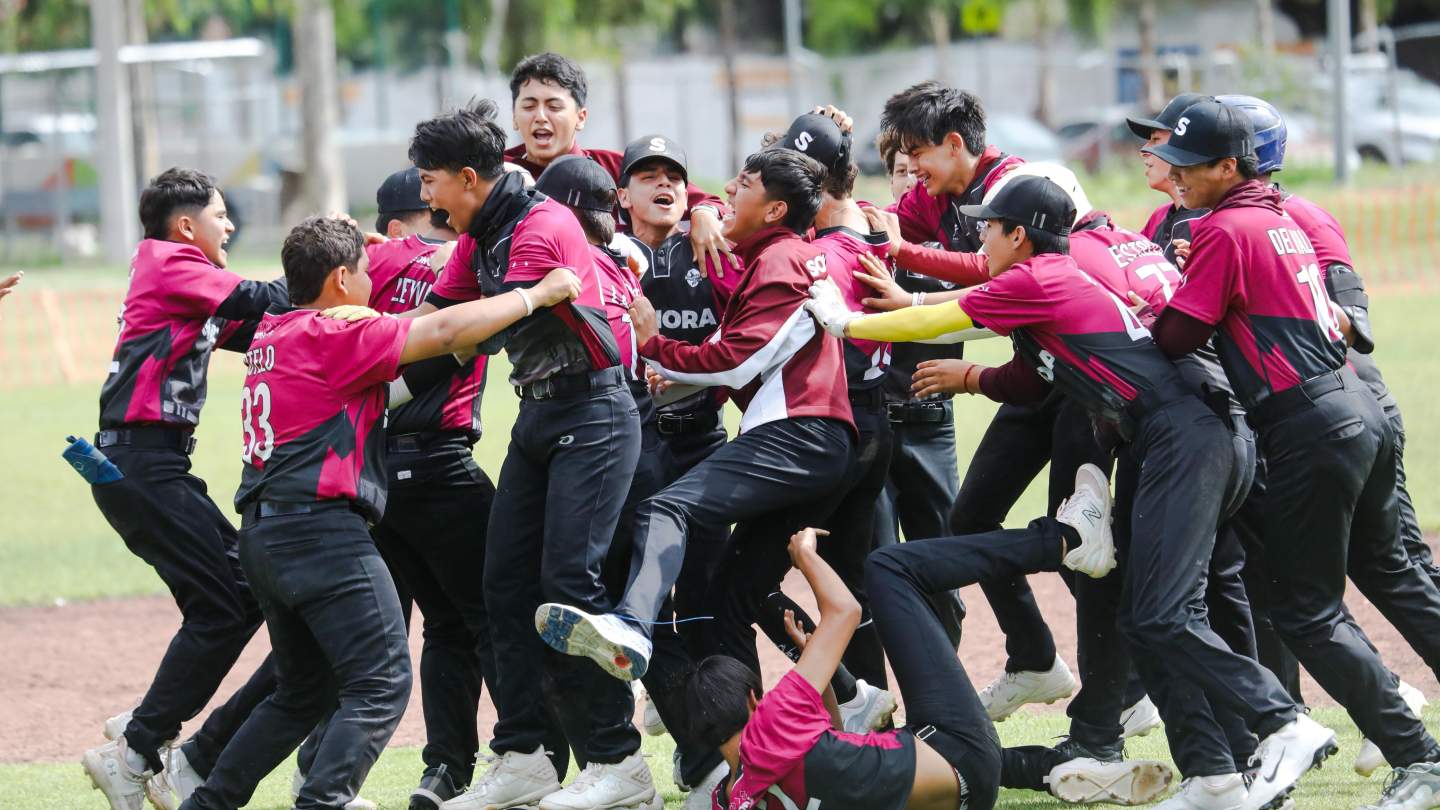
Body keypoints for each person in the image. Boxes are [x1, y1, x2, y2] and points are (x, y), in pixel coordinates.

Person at [808, 173, 1336, 810]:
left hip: (1186, 441)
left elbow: (939, 317)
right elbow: (1030, 383)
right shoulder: (1042, 286)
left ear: (1019, 236)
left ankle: (1282, 722)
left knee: (1165, 614)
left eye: (989, 228)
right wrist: (972, 377)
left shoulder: (1038, 277)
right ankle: (1213, 777)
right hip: (1173, 441)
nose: (980, 239)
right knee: (1145, 618)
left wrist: (844, 321)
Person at [171, 216, 578, 810]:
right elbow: (440, 330)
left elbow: (407, 343)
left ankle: (206, 803)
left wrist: (416, 328)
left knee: (300, 693)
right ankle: (324, 800)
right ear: (341, 279)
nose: (373, 285)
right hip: (322, 534)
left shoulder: (277, 331)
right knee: (381, 682)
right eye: (365, 272)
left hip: (265, 534)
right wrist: (535, 294)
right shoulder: (334, 334)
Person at [1143, 97, 1440, 810]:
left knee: (1304, 610)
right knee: (1382, 575)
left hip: (1311, 424)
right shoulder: (1276, 216)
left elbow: (1177, 336)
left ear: (1229, 166)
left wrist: (1154, 298)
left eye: (1188, 165)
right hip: (1354, 408)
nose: (1176, 176)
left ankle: (1417, 755)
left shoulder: (1224, 229)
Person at [360, 99, 654, 810]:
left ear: (467, 178)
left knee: (567, 588)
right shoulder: (479, 235)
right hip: (540, 415)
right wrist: (357, 353)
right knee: (502, 587)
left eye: (430, 181)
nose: (425, 197)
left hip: (595, 413)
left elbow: (481, 330)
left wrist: (396, 350)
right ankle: (525, 756)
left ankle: (619, 763)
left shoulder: (541, 224)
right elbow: (432, 321)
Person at [535, 148, 857, 692]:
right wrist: (674, 363)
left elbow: (736, 360)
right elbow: (739, 346)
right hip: (819, 439)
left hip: (797, 434)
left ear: (774, 210)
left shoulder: (779, 260)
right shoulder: (784, 256)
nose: (727, 189)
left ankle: (632, 626)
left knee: (667, 508)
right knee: (732, 597)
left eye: (744, 183)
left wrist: (652, 345)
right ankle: (835, 702)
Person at [696, 520, 1173, 810]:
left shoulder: (729, 799)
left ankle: (1055, 767)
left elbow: (832, 742)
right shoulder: (773, 723)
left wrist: (817, 675)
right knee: (888, 569)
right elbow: (846, 611)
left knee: (890, 749)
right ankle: (1065, 541)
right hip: (960, 749)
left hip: (957, 790)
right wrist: (804, 558)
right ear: (753, 700)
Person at [81, 167, 287, 810]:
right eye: (221, 216)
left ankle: (144, 727)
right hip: (141, 463)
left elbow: (262, 329)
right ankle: (137, 747)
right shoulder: (169, 262)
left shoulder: (181, 282)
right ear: (186, 225)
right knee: (228, 603)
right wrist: (331, 267)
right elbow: (258, 297)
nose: (229, 226)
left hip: (150, 463)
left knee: (237, 598)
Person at [357, 167, 490, 810]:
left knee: (441, 623)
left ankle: (444, 771)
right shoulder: (463, 260)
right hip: (440, 462)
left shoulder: (362, 270)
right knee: (491, 615)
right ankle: (534, 756)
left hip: (374, 473)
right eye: (435, 207)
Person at [503, 52, 733, 272]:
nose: (541, 117)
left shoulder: (616, 168)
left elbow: (709, 201)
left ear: (580, 117)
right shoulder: (498, 173)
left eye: (554, 107)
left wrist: (703, 214)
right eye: (529, 106)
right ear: (514, 116)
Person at [870, 130, 967, 649]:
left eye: (917, 170)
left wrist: (908, 299)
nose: (911, 180)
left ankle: (947, 687)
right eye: (901, 172)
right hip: (876, 424)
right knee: (878, 566)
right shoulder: (866, 238)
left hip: (933, 422)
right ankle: (888, 689)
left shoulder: (959, 242)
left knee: (944, 570)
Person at [1127, 92, 1213, 263]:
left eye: (1155, 139)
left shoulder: (1214, 222)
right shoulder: (1159, 216)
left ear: (1184, 145)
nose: (1144, 150)